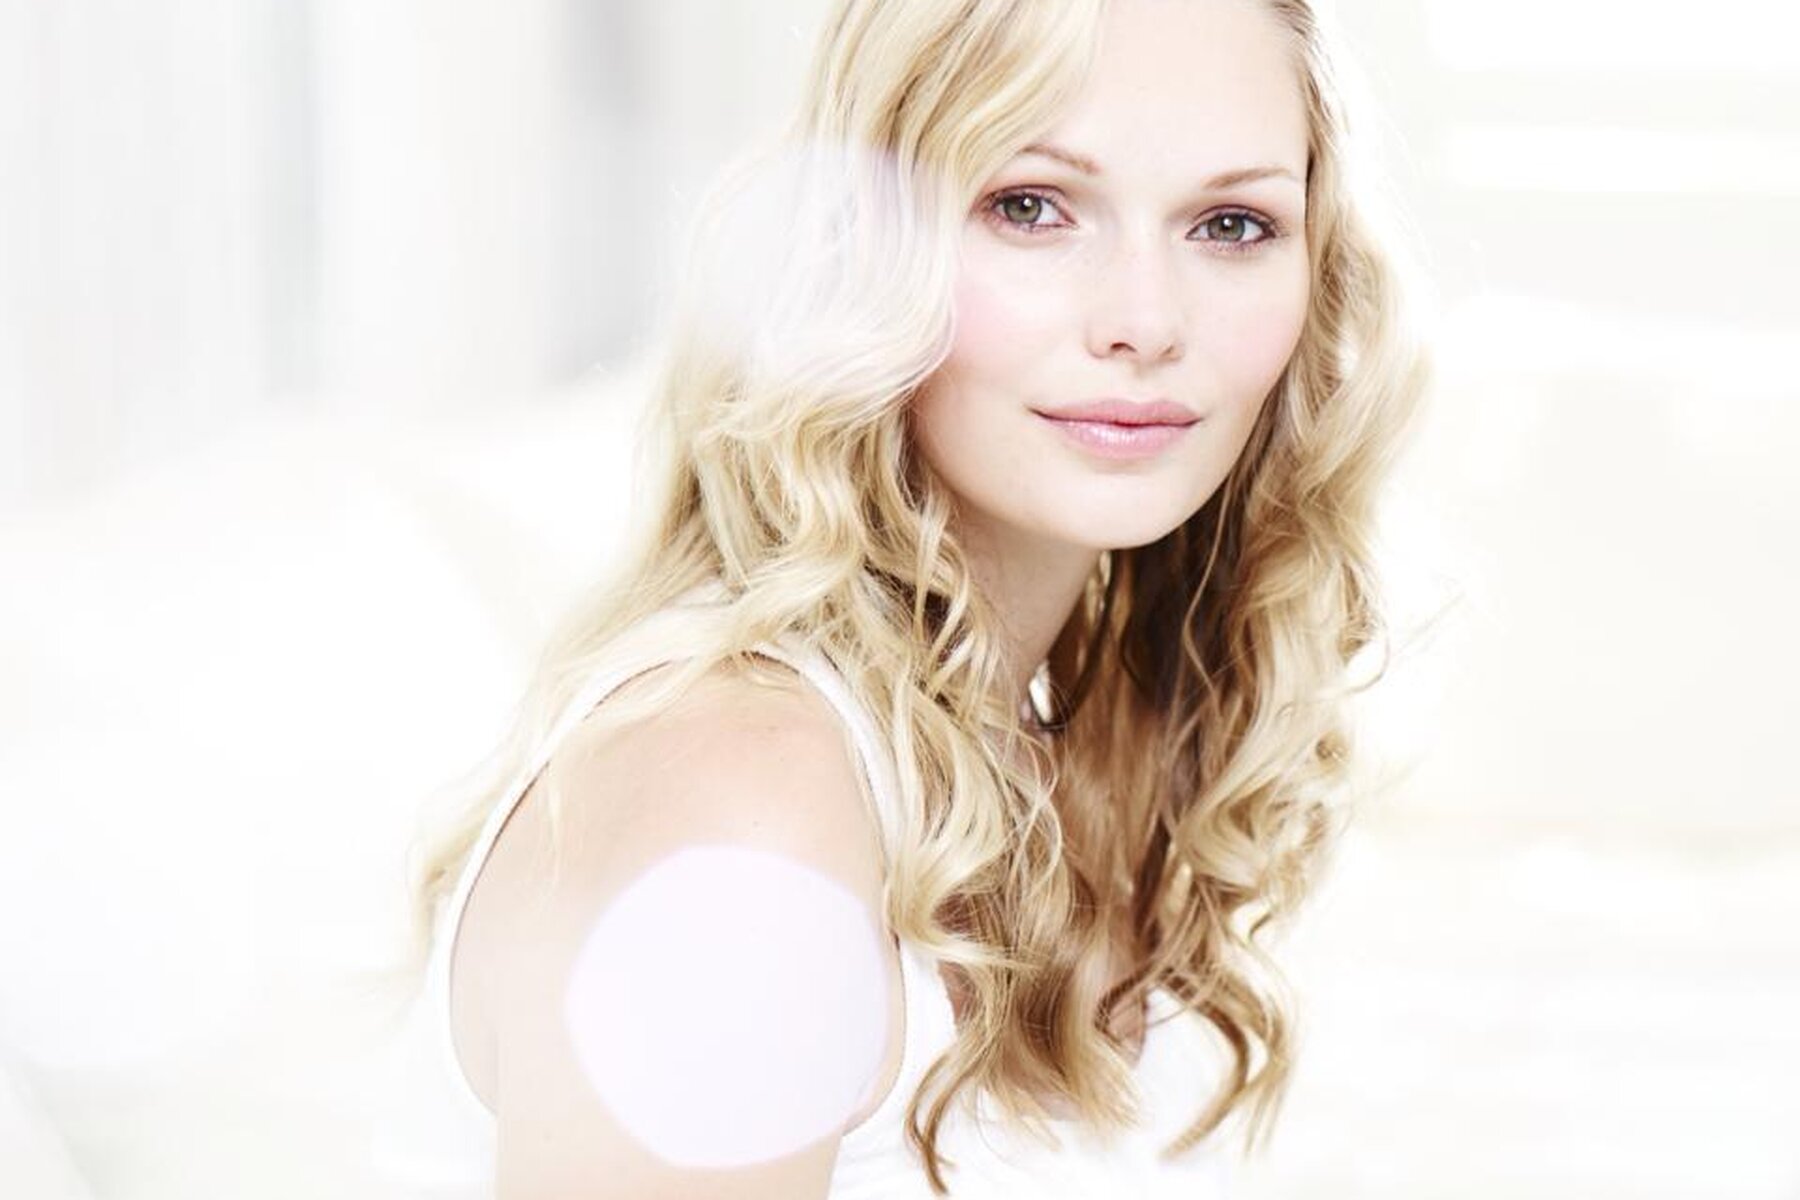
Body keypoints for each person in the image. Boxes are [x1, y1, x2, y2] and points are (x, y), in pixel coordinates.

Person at [376, 0, 1428, 1196]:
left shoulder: (1047, 758)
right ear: (857, 248)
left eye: (1231, 225)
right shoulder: (742, 806)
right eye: (1030, 206)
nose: (1146, 322)